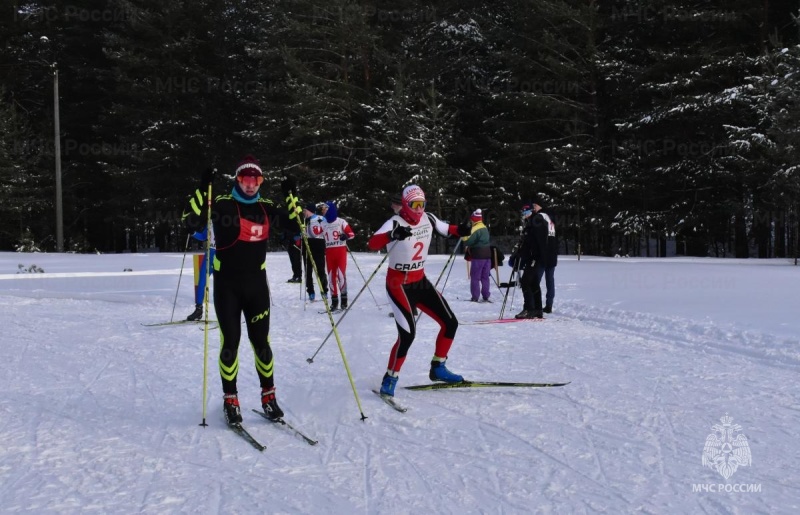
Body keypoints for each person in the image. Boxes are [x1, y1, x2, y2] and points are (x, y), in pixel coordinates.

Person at [181, 155, 286, 425]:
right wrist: (203, 187)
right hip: (227, 286)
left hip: (257, 287)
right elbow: (191, 223)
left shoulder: (266, 207)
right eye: (245, 179)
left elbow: (296, 229)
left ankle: (269, 396)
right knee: (231, 343)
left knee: (262, 344)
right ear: (238, 180)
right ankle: (231, 399)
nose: (251, 185)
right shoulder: (222, 204)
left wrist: (292, 197)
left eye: (256, 180)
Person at [367, 184, 471, 397]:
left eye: (422, 204)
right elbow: (372, 243)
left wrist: (460, 229)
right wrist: (392, 234)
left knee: (450, 322)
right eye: (414, 205)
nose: (419, 209)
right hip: (398, 285)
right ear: (405, 205)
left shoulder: (429, 218)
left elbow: (446, 229)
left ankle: (438, 367)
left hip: (420, 281)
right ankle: (390, 378)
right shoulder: (394, 222)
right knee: (407, 335)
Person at [509, 200, 558, 318]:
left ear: (532, 210)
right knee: (534, 282)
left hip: (537, 257)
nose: (524, 214)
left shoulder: (537, 220)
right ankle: (537, 309)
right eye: (523, 212)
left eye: (527, 211)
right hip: (535, 256)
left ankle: (529, 308)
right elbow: (527, 242)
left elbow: (540, 242)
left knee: (526, 281)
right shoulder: (532, 221)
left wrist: (540, 257)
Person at [320, 201, 355, 311]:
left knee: (341, 275)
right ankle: (334, 302)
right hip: (329, 252)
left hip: (340, 251)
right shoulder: (323, 223)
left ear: (330, 209)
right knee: (331, 277)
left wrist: (345, 236)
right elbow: (314, 233)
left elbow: (351, 234)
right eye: (322, 209)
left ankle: (344, 301)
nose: (323, 210)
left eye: (325, 208)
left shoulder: (341, 221)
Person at [186, 227, 216, 321]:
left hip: (222, 255)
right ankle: (198, 310)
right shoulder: (210, 220)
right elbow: (203, 236)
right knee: (201, 281)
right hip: (209, 255)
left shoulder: (226, 220)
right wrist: (193, 232)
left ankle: (228, 312)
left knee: (222, 285)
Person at [462, 208, 492, 302]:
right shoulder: (484, 227)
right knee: (485, 276)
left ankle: (475, 297)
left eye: (471, 219)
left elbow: (468, 241)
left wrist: (463, 235)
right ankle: (486, 295)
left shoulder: (475, 228)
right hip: (487, 255)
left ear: (474, 218)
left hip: (478, 256)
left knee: (475, 277)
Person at [302, 202, 328, 301]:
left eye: (305, 210)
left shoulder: (320, 218)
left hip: (318, 243)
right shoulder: (304, 220)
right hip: (307, 243)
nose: (304, 212)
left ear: (310, 210)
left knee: (320, 269)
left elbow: (323, 229)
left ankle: (324, 290)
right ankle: (311, 292)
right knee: (308, 270)